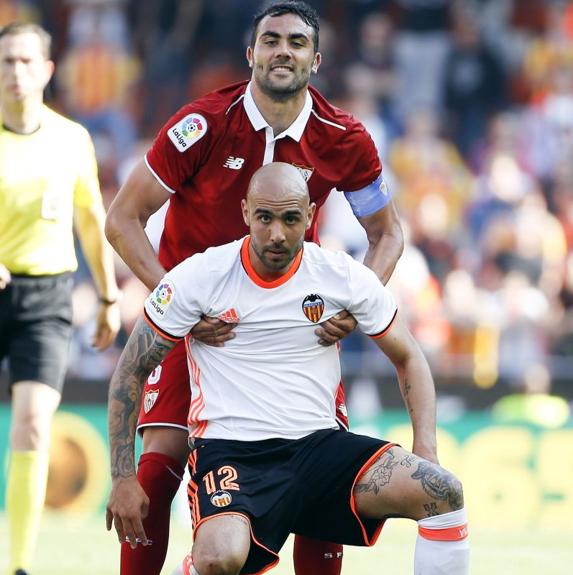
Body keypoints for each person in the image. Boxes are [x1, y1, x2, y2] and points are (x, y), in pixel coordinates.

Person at [104, 3, 404, 575]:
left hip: (292, 327)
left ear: (316, 59)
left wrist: (357, 301)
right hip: (199, 328)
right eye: (270, 40)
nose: (282, 51)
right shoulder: (203, 124)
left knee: (319, 470)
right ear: (251, 55)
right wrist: (177, 307)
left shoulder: (342, 136)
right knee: (160, 460)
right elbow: (122, 218)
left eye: (296, 42)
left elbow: (388, 232)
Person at [106, 162, 470, 575]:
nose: (277, 233)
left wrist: (427, 448)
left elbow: (410, 357)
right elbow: (130, 370)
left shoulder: (341, 276)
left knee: (442, 491)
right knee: (218, 558)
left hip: (319, 448)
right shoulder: (200, 277)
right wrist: (121, 475)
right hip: (233, 452)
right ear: (245, 212)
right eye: (265, 217)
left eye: (291, 218)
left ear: (311, 216)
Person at [0, 22, 121, 575]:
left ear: (48, 70)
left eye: (26, 61)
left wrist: (107, 296)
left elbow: (91, 219)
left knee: (32, 423)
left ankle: (19, 564)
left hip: (46, 297)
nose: (16, 72)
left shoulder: (72, 138)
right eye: (6, 62)